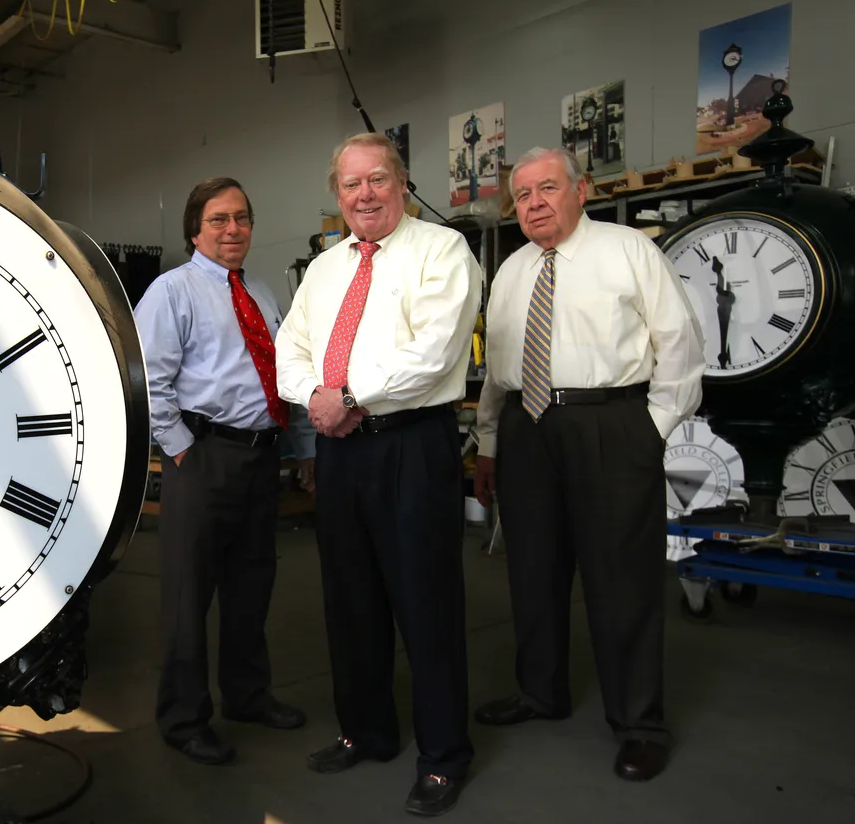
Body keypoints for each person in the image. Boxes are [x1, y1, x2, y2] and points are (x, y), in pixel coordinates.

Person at [472, 147, 705, 782]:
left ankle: (638, 723)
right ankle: (540, 692)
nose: (535, 203)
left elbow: (679, 344)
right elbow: (498, 370)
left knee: (621, 579)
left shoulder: (631, 251)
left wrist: (648, 431)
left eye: (547, 188)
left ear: (583, 191)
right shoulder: (514, 269)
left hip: (611, 422)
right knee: (533, 570)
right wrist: (490, 444)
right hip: (526, 429)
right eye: (522, 195)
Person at [276, 133, 481, 817]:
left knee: (426, 605)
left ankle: (444, 757)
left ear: (401, 182)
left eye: (378, 180)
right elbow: (291, 348)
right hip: (341, 450)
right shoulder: (326, 268)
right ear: (337, 194)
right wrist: (314, 398)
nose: (364, 194)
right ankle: (366, 732)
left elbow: (435, 349)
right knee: (350, 600)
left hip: (410, 445)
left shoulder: (442, 250)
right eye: (350, 184)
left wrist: (349, 396)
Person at [135, 176, 312, 767]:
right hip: (204, 457)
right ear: (195, 229)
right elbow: (149, 380)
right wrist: (182, 449)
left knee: (251, 586)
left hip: (262, 456)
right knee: (189, 597)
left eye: (241, 218)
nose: (233, 230)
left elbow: (285, 374)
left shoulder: (259, 292)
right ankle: (183, 719)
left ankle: (248, 695)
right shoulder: (172, 291)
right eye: (219, 220)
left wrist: (302, 446)